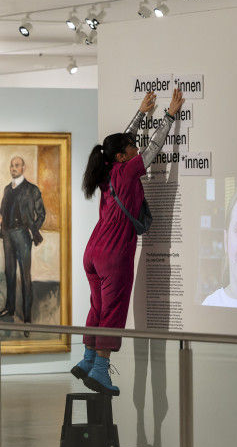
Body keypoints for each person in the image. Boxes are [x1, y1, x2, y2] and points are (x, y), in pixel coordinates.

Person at [71, 89, 185, 396]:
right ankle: (99, 369)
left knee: (97, 306)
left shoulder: (106, 170)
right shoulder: (126, 170)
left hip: (92, 251)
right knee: (113, 310)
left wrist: (141, 113)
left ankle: (87, 359)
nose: (136, 147)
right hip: (113, 253)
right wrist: (169, 115)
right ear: (122, 156)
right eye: (132, 147)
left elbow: (120, 142)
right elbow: (153, 148)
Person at [0, 156, 46, 325]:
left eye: (17, 165)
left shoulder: (32, 190)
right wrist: (0, 217)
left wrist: (32, 230)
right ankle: (10, 308)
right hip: (7, 235)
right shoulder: (7, 189)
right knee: (9, 273)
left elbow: (41, 214)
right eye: (11, 165)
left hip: (23, 235)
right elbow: (3, 210)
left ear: (23, 168)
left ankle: (27, 318)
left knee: (25, 276)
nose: (13, 168)